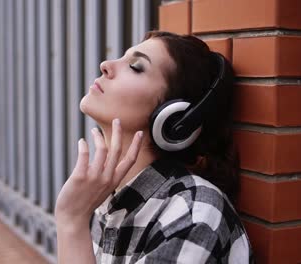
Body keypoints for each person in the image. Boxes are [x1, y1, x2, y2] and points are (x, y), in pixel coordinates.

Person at [55, 31, 254, 263]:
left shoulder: (193, 213)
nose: (105, 65)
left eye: (136, 66)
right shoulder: (104, 199)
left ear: (175, 119)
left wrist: (71, 222)